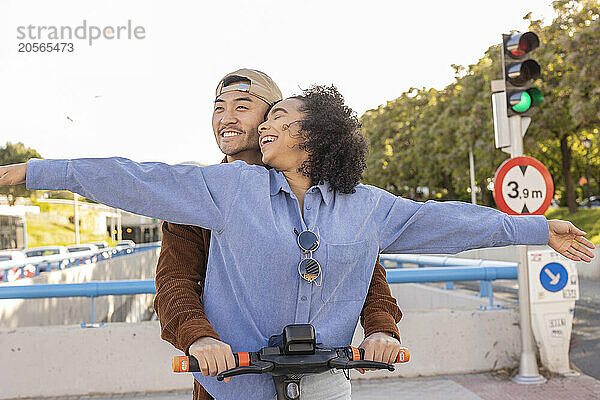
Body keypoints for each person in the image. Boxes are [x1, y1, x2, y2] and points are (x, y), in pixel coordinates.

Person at [0, 85, 594, 400]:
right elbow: (136, 177)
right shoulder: (229, 189)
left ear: (313, 135)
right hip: (234, 381)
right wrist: (35, 172)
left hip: (326, 380)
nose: (262, 125)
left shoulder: (371, 209)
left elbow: (454, 223)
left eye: (277, 116)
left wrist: (540, 228)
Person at [153, 69, 403, 400]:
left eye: (243, 107)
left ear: (272, 118)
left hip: (317, 378)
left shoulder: (316, 192)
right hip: (232, 381)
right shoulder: (199, 195)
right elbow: (175, 282)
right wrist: (199, 337)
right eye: (218, 108)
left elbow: (361, 269)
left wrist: (381, 329)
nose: (226, 118)